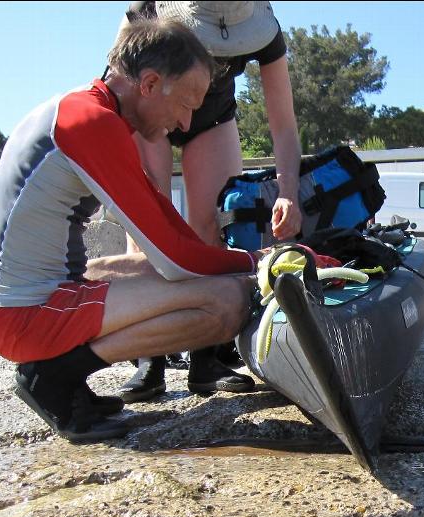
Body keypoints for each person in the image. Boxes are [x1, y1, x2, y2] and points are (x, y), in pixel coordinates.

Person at [0, 17, 266, 443]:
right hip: (18, 314)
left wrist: (237, 262)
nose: (185, 123)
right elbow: (177, 259)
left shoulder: (85, 109)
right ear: (149, 83)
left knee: (196, 275)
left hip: (10, 297)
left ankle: (67, 375)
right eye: (185, 103)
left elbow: (168, 230)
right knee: (228, 302)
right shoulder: (91, 123)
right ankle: (52, 376)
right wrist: (258, 261)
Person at [118, 0, 303, 401]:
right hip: (151, 112)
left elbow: (284, 124)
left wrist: (289, 194)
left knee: (214, 224)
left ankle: (207, 359)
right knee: (146, 227)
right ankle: (148, 357)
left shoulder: (262, 24)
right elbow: (117, 90)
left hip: (213, 116)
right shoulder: (145, 9)